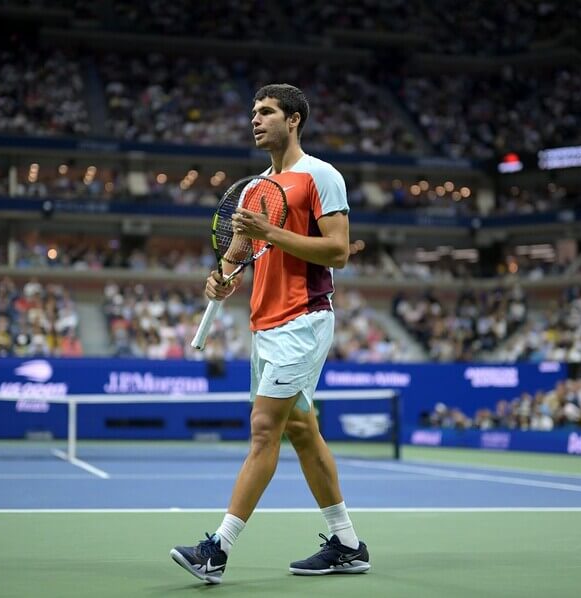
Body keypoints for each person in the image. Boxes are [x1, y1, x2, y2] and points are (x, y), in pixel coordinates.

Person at [170, 84, 370, 584]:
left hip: (304, 319)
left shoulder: (321, 176)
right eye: (253, 113)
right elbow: (236, 254)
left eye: (266, 112)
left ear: (294, 119)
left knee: (264, 429)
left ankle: (217, 548)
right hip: (265, 323)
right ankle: (347, 543)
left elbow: (338, 252)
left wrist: (269, 233)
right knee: (301, 430)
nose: (255, 120)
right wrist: (221, 275)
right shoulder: (256, 186)